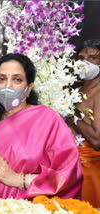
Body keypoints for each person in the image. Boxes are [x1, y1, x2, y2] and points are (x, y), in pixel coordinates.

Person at [0, 53, 83, 200]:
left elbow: (69, 173)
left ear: (28, 87)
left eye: (17, 80)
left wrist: (18, 179)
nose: (8, 86)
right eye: (2, 79)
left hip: (32, 207)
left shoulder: (47, 119)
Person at [66, 40, 100, 207]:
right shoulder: (77, 90)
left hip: (88, 173)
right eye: (81, 57)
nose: (85, 62)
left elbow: (97, 140)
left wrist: (72, 114)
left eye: (92, 57)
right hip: (70, 168)